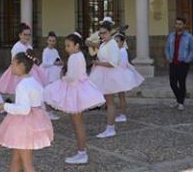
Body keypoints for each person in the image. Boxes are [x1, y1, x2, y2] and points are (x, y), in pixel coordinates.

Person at [44, 32, 105, 164]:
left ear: (77, 45)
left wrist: (62, 78)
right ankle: (81, 152)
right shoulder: (78, 56)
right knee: (76, 123)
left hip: (74, 90)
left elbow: (72, 77)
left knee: (77, 124)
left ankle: (82, 153)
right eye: (66, 46)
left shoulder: (74, 57)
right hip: (76, 88)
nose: (67, 48)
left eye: (69, 45)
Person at [0, 52, 54, 172]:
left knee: (26, 164)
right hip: (33, 123)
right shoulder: (35, 82)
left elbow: (24, 109)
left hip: (24, 127)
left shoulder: (23, 85)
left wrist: (4, 106)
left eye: (12, 63)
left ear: (21, 65)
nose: (10, 66)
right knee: (16, 157)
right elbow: (39, 104)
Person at [88, 21, 142, 138]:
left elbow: (113, 63)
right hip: (103, 73)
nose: (102, 35)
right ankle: (109, 127)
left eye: (104, 33)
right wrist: (97, 63)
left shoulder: (112, 44)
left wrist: (98, 63)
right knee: (109, 102)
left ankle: (110, 128)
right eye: (100, 34)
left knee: (110, 102)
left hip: (110, 74)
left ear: (110, 33)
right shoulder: (104, 44)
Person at [0, 23, 47, 94]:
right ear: (20, 35)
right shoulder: (17, 47)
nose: (27, 37)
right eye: (25, 34)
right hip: (19, 70)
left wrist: (34, 60)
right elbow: (15, 61)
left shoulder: (29, 46)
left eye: (29, 35)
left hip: (30, 68)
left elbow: (31, 57)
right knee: (21, 88)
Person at [165, 17, 193, 111]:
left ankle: (181, 103)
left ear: (184, 25)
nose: (178, 25)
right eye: (176, 23)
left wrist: (187, 60)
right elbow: (167, 48)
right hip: (173, 63)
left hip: (183, 63)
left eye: (180, 24)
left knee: (182, 83)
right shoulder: (171, 35)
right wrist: (168, 57)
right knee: (172, 83)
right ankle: (179, 100)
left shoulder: (189, 37)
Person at [114, 32, 144, 122]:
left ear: (122, 42)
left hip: (121, 74)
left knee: (121, 96)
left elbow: (122, 64)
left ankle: (123, 115)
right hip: (118, 74)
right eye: (114, 41)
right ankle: (121, 114)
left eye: (117, 41)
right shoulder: (118, 50)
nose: (116, 43)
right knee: (120, 96)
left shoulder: (122, 51)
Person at [41, 31, 64, 120]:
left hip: (55, 73)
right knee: (48, 92)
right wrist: (54, 63)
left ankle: (50, 111)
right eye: (50, 40)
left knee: (53, 92)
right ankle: (48, 111)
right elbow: (44, 63)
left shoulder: (55, 50)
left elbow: (58, 59)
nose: (51, 42)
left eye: (53, 41)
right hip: (48, 73)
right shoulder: (45, 51)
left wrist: (60, 62)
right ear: (47, 41)